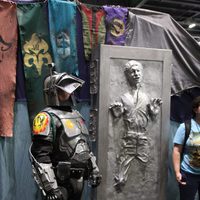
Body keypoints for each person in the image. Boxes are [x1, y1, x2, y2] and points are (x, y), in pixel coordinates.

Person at [29, 64, 101, 200]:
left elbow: (83, 146)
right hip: (60, 180)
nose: (70, 92)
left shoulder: (76, 114)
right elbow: (40, 154)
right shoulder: (46, 117)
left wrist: (93, 169)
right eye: (65, 88)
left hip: (79, 178)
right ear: (53, 91)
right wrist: (50, 187)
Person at [109, 60, 162, 191]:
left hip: (143, 139)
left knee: (149, 175)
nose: (136, 74)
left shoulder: (146, 97)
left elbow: (153, 117)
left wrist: (154, 112)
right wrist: (117, 114)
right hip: (129, 140)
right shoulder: (123, 98)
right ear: (127, 75)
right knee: (120, 179)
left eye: (138, 71)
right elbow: (116, 119)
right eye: (132, 71)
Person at [173, 96, 200, 200]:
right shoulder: (185, 127)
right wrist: (177, 172)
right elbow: (176, 151)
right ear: (195, 109)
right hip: (189, 174)